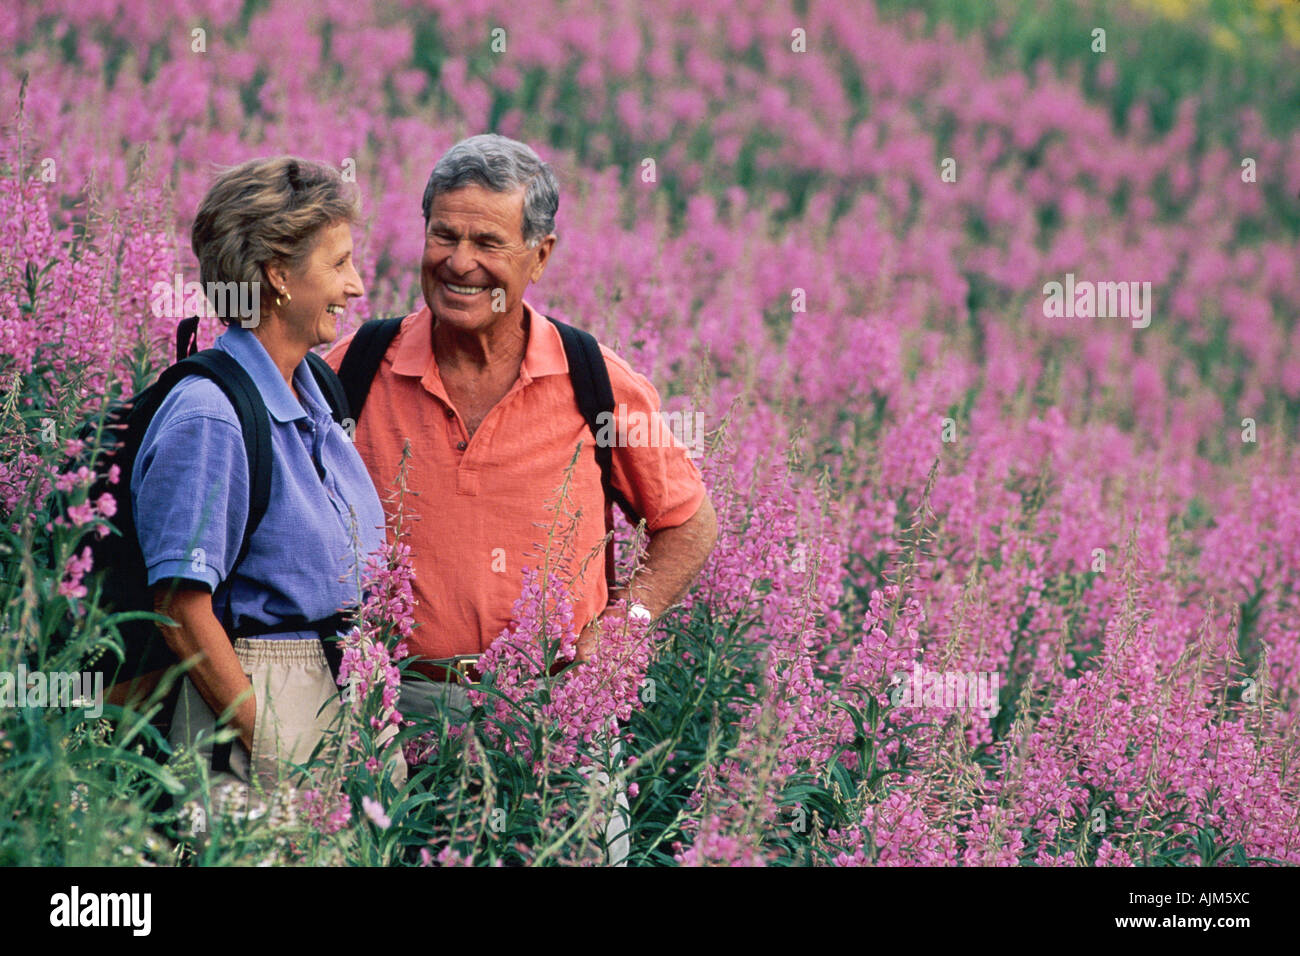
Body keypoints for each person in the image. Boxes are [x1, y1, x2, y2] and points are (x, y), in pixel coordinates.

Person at [325, 134, 718, 864]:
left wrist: (622, 627)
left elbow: (687, 524)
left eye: (488, 241)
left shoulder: (591, 377)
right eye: (443, 234)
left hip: (551, 712)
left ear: (540, 255)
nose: (459, 261)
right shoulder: (360, 365)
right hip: (388, 711)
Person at [132, 156, 400, 825]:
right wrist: (271, 748)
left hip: (339, 698)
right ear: (278, 275)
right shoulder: (211, 414)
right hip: (261, 706)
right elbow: (179, 606)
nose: (357, 285)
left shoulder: (315, 391)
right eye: (338, 264)